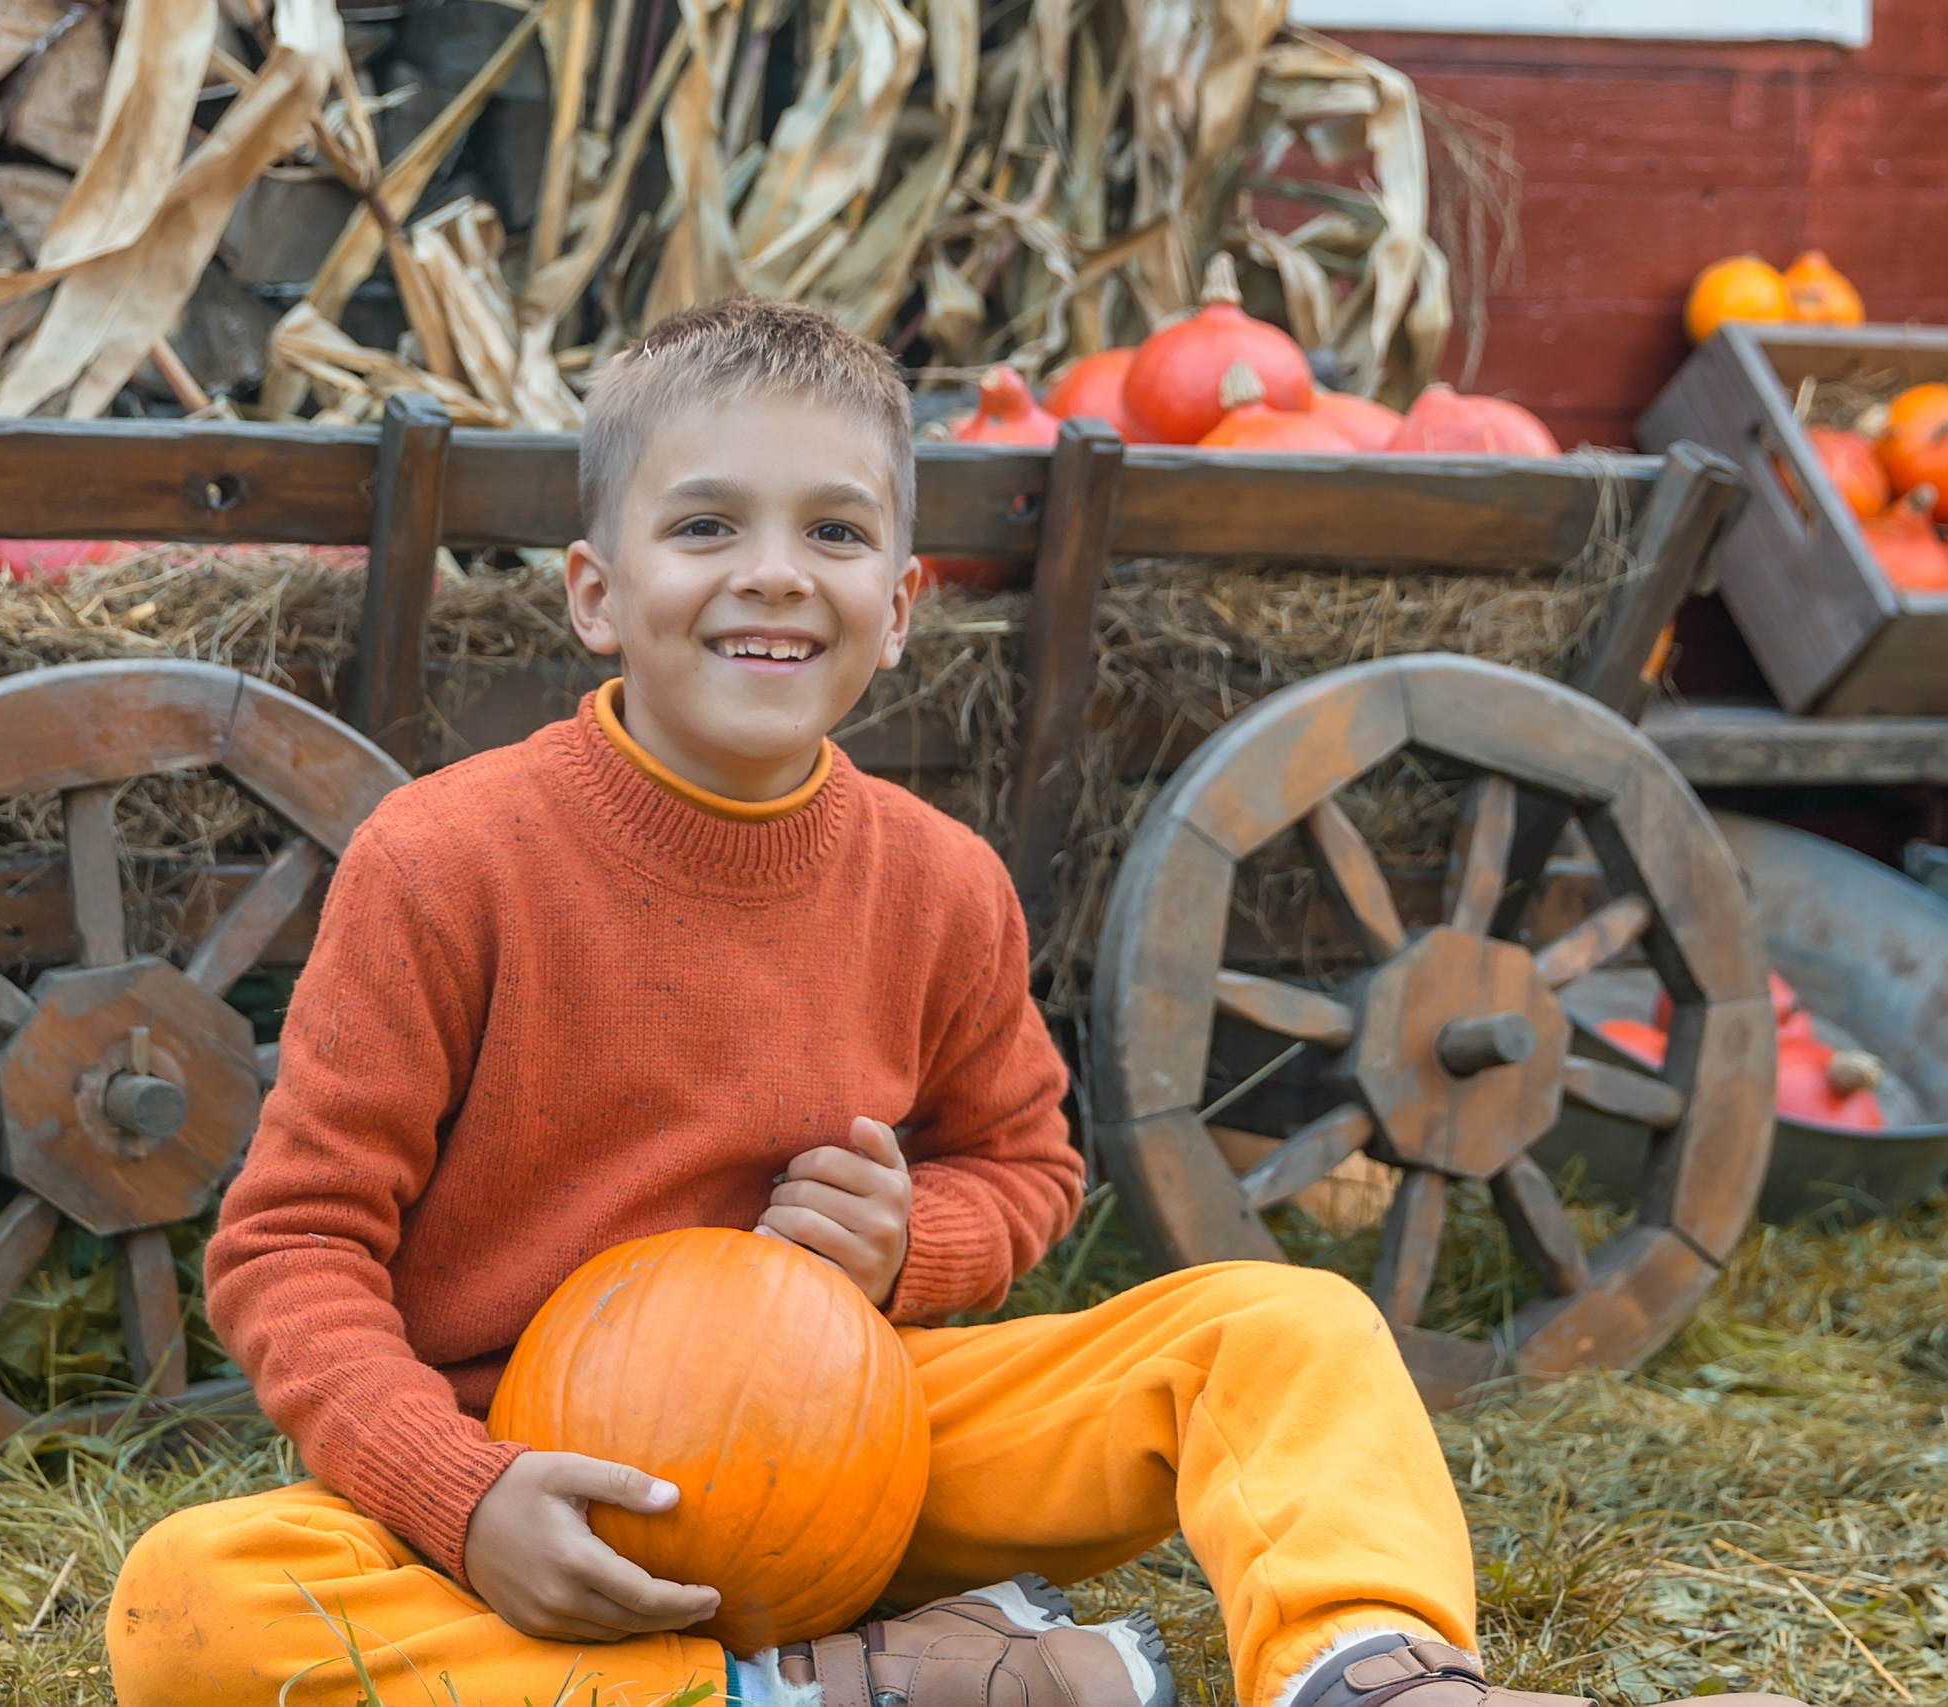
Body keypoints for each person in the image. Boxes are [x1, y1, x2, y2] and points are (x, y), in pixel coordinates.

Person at [106, 297, 1800, 1707]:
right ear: (594, 592)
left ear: (900, 611)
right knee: (196, 1601)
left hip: (863, 1439)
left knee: (1286, 1329)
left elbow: (1029, 1167)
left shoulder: (936, 879)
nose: (774, 575)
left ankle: (1366, 1667)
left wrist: (912, 1245)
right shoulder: (448, 858)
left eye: (834, 533)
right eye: (706, 526)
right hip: (539, 1470)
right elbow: (292, 1246)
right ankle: (858, 1688)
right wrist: (460, 1501)